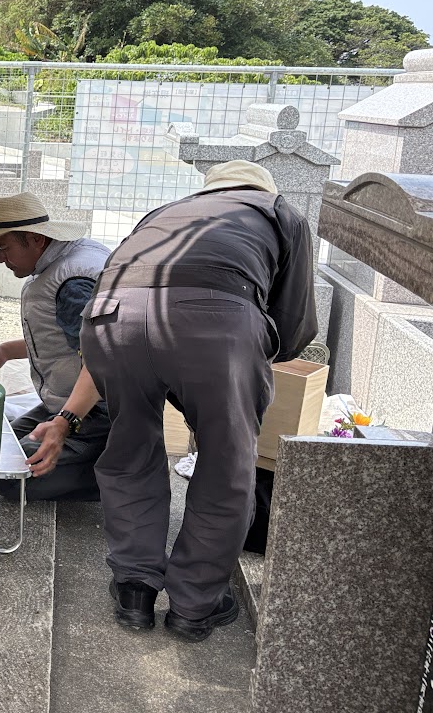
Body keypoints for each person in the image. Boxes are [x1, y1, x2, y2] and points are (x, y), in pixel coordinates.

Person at [79, 160, 316, 641]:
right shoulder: (277, 211)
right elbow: (294, 324)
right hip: (215, 319)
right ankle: (194, 604)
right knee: (226, 465)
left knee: (130, 450)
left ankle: (134, 588)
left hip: (109, 317)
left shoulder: (167, 211)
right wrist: (244, 366)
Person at [0, 191, 112, 501]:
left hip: (99, 412)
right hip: (70, 401)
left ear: (36, 239)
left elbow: (101, 362)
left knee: (11, 478)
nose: (0, 259)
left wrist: (64, 423)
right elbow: (63, 342)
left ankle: (118, 473)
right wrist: (3, 352)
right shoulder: (62, 262)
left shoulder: (74, 284)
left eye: (4, 248)